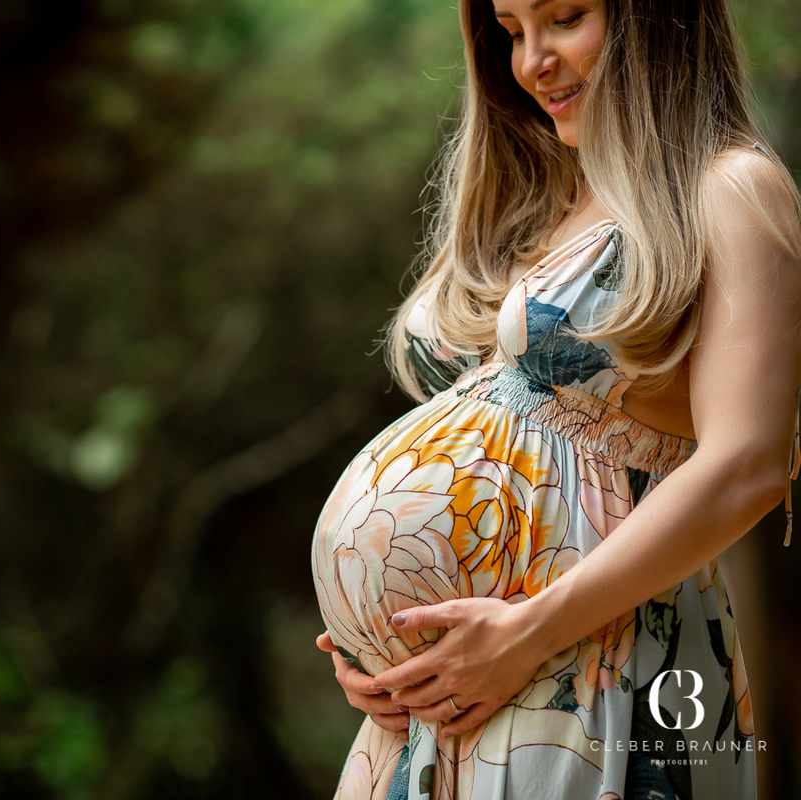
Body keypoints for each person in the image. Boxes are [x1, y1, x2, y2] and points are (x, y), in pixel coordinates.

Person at [309, 0, 801, 798]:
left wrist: (526, 634)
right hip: (437, 707)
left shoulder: (730, 188)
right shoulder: (541, 203)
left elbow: (747, 464)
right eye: (511, 32)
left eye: (565, 16)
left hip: (591, 668)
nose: (531, 60)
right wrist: (375, 648)